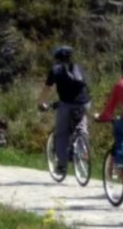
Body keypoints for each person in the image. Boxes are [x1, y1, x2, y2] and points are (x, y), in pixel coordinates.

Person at [37, 45, 90, 175]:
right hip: (84, 103)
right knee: (81, 126)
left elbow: (47, 89)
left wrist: (41, 103)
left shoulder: (55, 70)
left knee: (61, 134)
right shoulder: (79, 68)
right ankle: (83, 146)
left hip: (67, 104)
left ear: (57, 58)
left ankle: (62, 166)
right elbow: (85, 85)